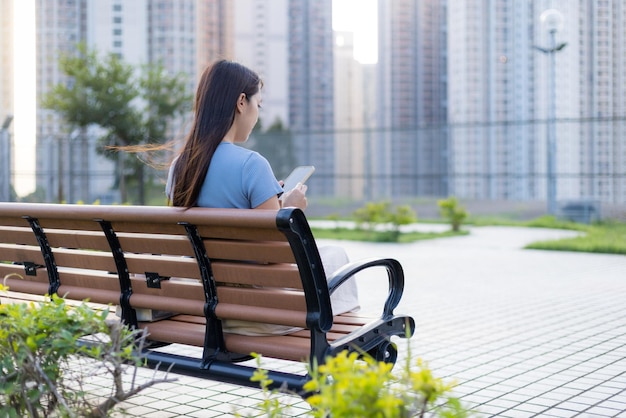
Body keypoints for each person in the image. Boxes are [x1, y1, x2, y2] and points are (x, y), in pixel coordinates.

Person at [165, 60, 359, 335]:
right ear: (241, 102)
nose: (257, 115)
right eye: (259, 105)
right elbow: (274, 254)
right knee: (336, 255)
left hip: (211, 307)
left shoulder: (179, 168)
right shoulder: (251, 165)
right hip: (262, 312)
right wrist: (289, 211)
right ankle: (337, 344)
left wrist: (272, 204)